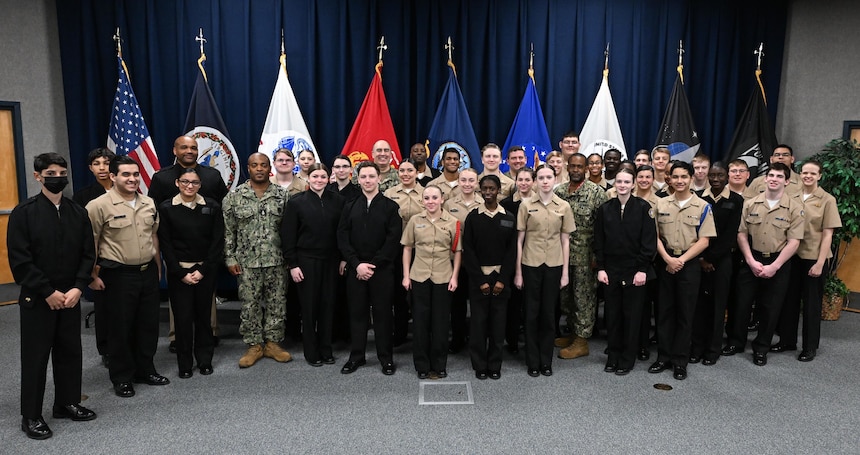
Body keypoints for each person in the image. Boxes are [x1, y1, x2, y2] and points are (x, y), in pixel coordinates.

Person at [8, 153, 97, 439]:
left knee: (70, 352)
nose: (57, 177)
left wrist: (77, 287)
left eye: (62, 172)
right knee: (36, 358)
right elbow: (20, 260)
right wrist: (47, 291)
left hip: (70, 296)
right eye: (51, 173)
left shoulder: (77, 211)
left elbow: (88, 253)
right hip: (39, 298)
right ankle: (31, 415)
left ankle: (67, 402)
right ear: (38, 176)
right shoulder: (24, 212)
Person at [86, 155, 169, 398]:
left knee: (147, 324)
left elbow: (153, 235)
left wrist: (158, 266)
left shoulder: (149, 203)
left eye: (135, 174)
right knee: (120, 328)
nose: (132, 179)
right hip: (117, 274)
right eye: (126, 174)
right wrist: (91, 275)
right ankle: (122, 377)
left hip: (147, 272)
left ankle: (146, 369)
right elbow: (90, 242)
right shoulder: (98, 206)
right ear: (112, 176)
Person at [147, 136, 228, 354]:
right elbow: (152, 211)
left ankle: (210, 332)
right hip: (174, 246)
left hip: (206, 245)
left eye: (193, 147)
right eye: (184, 147)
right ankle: (177, 336)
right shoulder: (162, 178)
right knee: (178, 296)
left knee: (206, 294)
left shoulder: (212, 176)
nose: (189, 151)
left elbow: (224, 206)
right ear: (175, 150)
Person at [723, 162, 804, 366]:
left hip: (778, 262)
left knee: (770, 308)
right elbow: (741, 233)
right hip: (751, 259)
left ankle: (761, 348)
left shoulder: (795, 207)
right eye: (771, 175)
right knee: (741, 304)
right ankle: (736, 342)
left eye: (779, 176)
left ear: (786, 181)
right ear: (765, 178)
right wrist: (750, 261)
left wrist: (774, 266)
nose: (774, 179)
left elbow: (794, 241)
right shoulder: (750, 203)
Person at [222, 153, 292, 368]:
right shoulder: (234, 197)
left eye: (263, 165)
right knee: (250, 305)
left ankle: (272, 343)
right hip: (247, 263)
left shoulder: (282, 196)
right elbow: (228, 231)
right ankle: (254, 345)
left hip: (277, 260)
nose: (259, 169)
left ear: (269, 168)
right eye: (254, 165)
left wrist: (290, 257)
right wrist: (230, 258)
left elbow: (290, 230)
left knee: (277, 304)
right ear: (248, 168)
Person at [649, 161, 716, 380]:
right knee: (664, 312)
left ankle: (680, 360)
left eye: (683, 177)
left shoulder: (703, 206)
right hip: (666, 262)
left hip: (689, 265)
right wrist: (668, 258)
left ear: (691, 178)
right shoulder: (661, 204)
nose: (679, 181)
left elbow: (704, 240)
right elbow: (655, 237)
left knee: (685, 315)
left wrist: (681, 260)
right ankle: (663, 356)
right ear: (669, 179)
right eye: (675, 177)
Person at [157, 167, 224, 378]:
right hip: (179, 273)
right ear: (177, 183)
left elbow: (217, 242)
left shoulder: (211, 206)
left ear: (200, 185)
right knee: (183, 319)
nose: (189, 186)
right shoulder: (167, 208)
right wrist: (179, 272)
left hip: (205, 271)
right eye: (185, 182)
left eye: (194, 183)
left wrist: (203, 270)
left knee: (204, 319)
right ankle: (184, 364)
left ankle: (204, 360)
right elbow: (165, 244)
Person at [337, 162, 402, 375]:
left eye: (371, 176)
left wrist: (372, 265)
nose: (367, 180)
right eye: (363, 176)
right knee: (357, 314)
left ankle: (386, 359)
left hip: (381, 271)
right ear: (358, 179)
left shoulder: (391, 207)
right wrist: (357, 264)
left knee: (383, 315)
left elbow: (393, 240)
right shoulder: (349, 206)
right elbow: (342, 237)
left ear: (379, 179)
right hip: (356, 270)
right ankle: (357, 356)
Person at [775, 160, 841, 362]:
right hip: (791, 256)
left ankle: (810, 347)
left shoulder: (827, 200)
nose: (808, 176)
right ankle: (787, 340)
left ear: (819, 176)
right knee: (789, 301)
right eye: (805, 173)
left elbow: (828, 234)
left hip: (814, 257)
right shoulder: (790, 196)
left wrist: (820, 262)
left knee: (811, 305)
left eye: (812, 173)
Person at [281, 163, 345, 367]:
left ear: (329, 179)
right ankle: (311, 351)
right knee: (309, 308)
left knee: (328, 306)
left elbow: (343, 233)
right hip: (305, 262)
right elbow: (288, 235)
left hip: (331, 261)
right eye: (315, 176)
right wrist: (293, 264)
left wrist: (343, 258)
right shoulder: (296, 202)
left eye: (323, 177)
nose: (319, 180)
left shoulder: (338, 201)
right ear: (308, 178)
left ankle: (326, 349)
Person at [594, 168, 657, 375]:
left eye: (626, 182)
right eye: (619, 181)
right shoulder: (605, 209)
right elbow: (599, 241)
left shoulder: (643, 207)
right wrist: (601, 267)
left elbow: (648, 242)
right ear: (615, 184)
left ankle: (627, 358)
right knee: (612, 315)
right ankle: (613, 355)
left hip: (634, 270)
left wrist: (642, 270)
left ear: (633, 184)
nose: (622, 185)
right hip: (611, 270)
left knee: (631, 316)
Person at [514, 165, 575, 377]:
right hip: (530, 264)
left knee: (549, 315)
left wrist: (565, 272)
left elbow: (565, 240)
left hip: (554, 265)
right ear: (535, 181)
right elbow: (519, 241)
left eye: (549, 177)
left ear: (555, 178)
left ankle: (545, 360)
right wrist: (518, 272)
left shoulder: (564, 206)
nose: (545, 181)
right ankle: (532, 360)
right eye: (541, 177)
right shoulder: (526, 205)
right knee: (531, 313)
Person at [401, 185, 461, 378]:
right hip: (419, 276)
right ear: (422, 201)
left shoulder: (453, 222)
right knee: (420, 322)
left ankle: (439, 364)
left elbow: (458, 252)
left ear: (442, 199)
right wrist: (405, 275)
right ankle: (422, 365)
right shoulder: (414, 221)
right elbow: (407, 248)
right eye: (427, 198)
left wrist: (455, 277)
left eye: (435, 197)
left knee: (441, 323)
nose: (431, 201)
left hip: (443, 277)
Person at [554, 153, 608, 360]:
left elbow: (603, 228)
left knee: (583, 299)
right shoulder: (558, 192)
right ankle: (573, 332)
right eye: (573, 166)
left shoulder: (596, 193)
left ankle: (582, 341)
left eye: (580, 166)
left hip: (586, 256)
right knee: (566, 298)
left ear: (586, 169)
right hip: (561, 254)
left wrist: (599, 257)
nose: (576, 169)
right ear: (568, 167)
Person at [463, 175, 517, 380]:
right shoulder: (473, 217)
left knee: (497, 324)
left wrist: (503, 279)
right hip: (480, 280)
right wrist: (480, 281)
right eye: (484, 189)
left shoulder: (509, 217)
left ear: (498, 190)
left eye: (491, 189)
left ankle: (495, 364)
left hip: (501, 279)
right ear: (480, 190)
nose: (488, 192)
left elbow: (511, 252)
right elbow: (468, 250)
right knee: (478, 324)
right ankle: (480, 364)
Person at [689, 162, 743, 366]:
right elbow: (696, 230)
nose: (716, 179)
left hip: (722, 261)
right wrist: (702, 259)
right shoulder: (700, 197)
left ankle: (713, 349)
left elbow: (730, 235)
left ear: (727, 176)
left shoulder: (736, 200)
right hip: (700, 259)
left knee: (718, 306)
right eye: (712, 175)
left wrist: (711, 258)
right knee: (699, 306)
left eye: (720, 175)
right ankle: (696, 347)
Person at [73, 147, 115, 365]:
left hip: (123, 260)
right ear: (90, 168)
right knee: (104, 309)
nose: (102, 168)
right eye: (97, 164)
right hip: (99, 263)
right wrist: (91, 268)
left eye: (106, 163)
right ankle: (107, 350)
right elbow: (81, 235)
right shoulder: (83, 197)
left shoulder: (126, 190)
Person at [384, 159, 425, 345]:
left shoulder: (427, 194)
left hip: (421, 249)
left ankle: (422, 333)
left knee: (419, 293)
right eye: (402, 170)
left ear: (417, 173)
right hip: (395, 249)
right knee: (398, 292)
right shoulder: (389, 193)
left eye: (410, 170)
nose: (406, 174)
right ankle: (399, 333)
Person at [443, 168, 483, 353]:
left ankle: (477, 339)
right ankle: (458, 338)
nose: (467, 184)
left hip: (477, 261)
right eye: (464, 180)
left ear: (477, 183)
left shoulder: (484, 203)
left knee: (477, 302)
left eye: (471, 180)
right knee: (456, 302)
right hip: (454, 260)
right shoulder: (448, 204)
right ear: (458, 181)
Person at [499, 167, 536, 353]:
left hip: (535, 256)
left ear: (533, 181)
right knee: (513, 302)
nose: (523, 183)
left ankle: (531, 340)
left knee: (532, 301)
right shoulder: (507, 204)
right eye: (520, 179)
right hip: (513, 257)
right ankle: (512, 340)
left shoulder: (541, 201)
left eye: (527, 180)